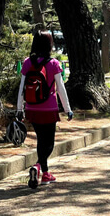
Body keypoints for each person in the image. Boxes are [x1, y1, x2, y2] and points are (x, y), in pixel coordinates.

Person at [16, 30, 73, 189]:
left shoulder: (28, 62)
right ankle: (38, 167)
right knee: (49, 144)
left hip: (32, 109)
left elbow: (21, 88)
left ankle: (46, 174)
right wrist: (68, 109)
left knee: (41, 140)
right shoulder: (53, 63)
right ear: (50, 44)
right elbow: (61, 89)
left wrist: (19, 109)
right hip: (49, 109)